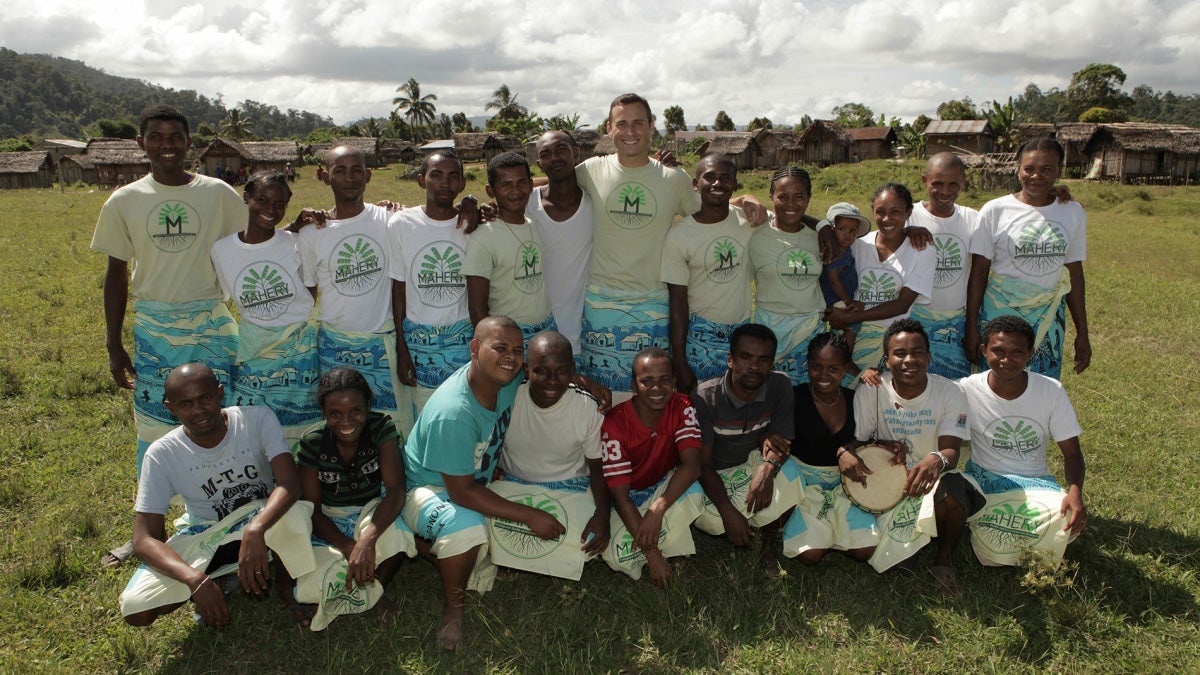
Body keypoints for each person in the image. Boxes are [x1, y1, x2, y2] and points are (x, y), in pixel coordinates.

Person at [91, 104, 245, 568]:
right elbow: (116, 274)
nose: (167, 145)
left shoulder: (218, 194)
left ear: (189, 142)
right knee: (154, 429)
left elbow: (257, 239)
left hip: (212, 324)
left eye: (175, 136)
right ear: (141, 144)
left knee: (225, 420)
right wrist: (114, 343)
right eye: (156, 137)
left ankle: (234, 520)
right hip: (155, 327)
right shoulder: (123, 200)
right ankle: (148, 534)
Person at [575, 94, 764, 396]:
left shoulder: (673, 177)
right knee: (605, 395)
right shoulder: (591, 170)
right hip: (602, 303)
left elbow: (712, 207)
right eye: (621, 124)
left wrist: (749, 200)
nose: (630, 131)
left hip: (655, 304)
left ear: (652, 126)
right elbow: (550, 185)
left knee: (653, 396)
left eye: (638, 123)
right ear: (609, 129)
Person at [401, 316, 565, 650]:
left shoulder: (504, 380)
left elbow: (544, 369)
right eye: (500, 347)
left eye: (517, 351)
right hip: (427, 488)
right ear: (475, 348)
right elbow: (461, 492)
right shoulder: (455, 411)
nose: (511, 357)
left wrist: (588, 383)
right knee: (469, 529)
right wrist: (528, 516)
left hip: (470, 478)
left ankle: (429, 549)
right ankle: (453, 609)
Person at [119, 363, 315, 627]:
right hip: (208, 533)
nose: (198, 410)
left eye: (206, 398)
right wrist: (193, 580)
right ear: (170, 408)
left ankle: (285, 584)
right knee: (136, 609)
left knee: (295, 512)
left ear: (220, 393)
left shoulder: (256, 419)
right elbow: (143, 539)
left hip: (263, 522)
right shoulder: (161, 454)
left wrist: (255, 529)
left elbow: (290, 484)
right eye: (185, 404)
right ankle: (220, 575)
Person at [953, 315, 1087, 574]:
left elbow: (1072, 454)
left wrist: (1075, 492)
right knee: (996, 545)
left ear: (1030, 354)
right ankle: (1004, 535)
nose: (1006, 360)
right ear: (983, 351)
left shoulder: (1050, 390)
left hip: (1035, 483)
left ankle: (994, 531)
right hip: (985, 480)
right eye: (998, 351)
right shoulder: (966, 389)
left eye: (1017, 352)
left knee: (1068, 518)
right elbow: (926, 393)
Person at [840, 319, 971, 582]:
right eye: (900, 353)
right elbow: (859, 443)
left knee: (954, 493)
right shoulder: (871, 390)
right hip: (889, 483)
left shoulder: (950, 392)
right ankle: (913, 534)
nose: (909, 360)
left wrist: (935, 460)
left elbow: (952, 452)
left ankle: (944, 559)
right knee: (887, 563)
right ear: (886, 360)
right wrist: (850, 451)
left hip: (933, 480)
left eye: (917, 352)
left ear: (929, 357)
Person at [290, 367, 415, 631]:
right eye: (335, 414)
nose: (346, 422)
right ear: (323, 413)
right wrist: (348, 546)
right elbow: (313, 510)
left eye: (355, 411)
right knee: (310, 584)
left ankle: (377, 589)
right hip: (330, 520)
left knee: (398, 534)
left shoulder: (381, 428)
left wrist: (367, 539)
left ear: (368, 406)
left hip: (372, 511)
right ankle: (356, 575)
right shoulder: (312, 443)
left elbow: (395, 491)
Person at [298, 145, 411, 434]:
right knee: (343, 427)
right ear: (325, 176)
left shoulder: (390, 220)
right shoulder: (311, 233)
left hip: (383, 345)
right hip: (335, 347)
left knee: (392, 426)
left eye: (357, 169)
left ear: (369, 175)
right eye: (340, 170)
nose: (350, 177)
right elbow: (307, 294)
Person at [485, 331, 610, 580]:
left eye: (561, 372)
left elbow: (598, 469)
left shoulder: (587, 407)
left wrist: (602, 516)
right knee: (477, 515)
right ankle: (521, 553)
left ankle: (512, 555)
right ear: (526, 369)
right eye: (541, 371)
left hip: (569, 487)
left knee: (589, 537)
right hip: (514, 485)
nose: (551, 381)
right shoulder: (507, 397)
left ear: (572, 370)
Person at [211, 170, 320, 447]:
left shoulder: (295, 243)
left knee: (305, 425)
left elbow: (311, 289)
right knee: (254, 428)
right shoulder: (222, 251)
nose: (270, 210)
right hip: (255, 350)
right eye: (261, 200)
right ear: (246, 198)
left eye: (279, 204)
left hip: (301, 351)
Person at [965, 138, 1090, 379]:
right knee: (995, 384)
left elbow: (1074, 274)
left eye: (1046, 169)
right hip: (999, 316)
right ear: (1018, 168)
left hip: (1048, 317)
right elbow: (978, 273)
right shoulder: (995, 210)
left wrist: (1082, 333)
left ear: (1059, 170)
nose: (1036, 176)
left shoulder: (1072, 212)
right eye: (1029, 169)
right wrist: (972, 327)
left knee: (1041, 387)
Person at [691, 323, 801, 574]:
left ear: (772, 363)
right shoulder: (705, 396)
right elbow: (702, 465)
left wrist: (766, 469)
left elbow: (782, 441)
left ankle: (767, 544)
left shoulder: (780, 385)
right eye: (746, 357)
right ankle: (738, 520)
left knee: (792, 472)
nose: (754, 366)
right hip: (715, 477)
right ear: (730, 360)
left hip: (751, 464)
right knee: (711, 520)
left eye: (763, 359)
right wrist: (728, 512)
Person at [600, 348, 705, 588]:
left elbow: (692, 465)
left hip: (659, 487)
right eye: (647, 381)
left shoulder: (682, 404)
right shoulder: (615, 423)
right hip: (627, 499)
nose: (657, 389)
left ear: (674, 382)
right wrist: (652, 555)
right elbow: (620, 495)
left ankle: (666, 541)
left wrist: (657, 509)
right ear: (634, 386)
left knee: (695, 493)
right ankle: (661, 548)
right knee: (618, 556)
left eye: (664, 380)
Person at [781, 331, 879, 564]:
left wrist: (847, 450)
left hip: (845, 486)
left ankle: (834, 530)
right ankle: (820, 531)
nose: (824, 375)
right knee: (809, 554)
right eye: (817, 367)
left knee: (865, 550)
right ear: (808, 366)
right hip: (804, 487)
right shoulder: (795, 397)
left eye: (833, 368)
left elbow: (868, 438)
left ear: (846, 368)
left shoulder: (855, 398)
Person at [388, 151, 472, 415]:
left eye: (453, 176)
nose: (445, 183)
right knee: (424, 416)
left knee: (461, 413)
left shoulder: (472, 225)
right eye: (436, 175)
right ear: (421, 180)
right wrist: (402, 348)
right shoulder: (402, 224)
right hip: (418, 342)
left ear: (462, 185)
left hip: (463, 339)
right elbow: (398, 289)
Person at [661, 154, 754, 392]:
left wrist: (824, 227)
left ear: (735, 184)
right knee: (698, 411)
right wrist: (680, 361)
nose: (717, 183)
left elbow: (788, 219)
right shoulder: (679, 236)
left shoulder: (748, 220)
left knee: (737, 409)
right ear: (695, 184)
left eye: (725, 178)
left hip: (741, 338)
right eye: (709, 177)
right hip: (699, 339)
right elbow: (678, 302)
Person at [827, 184, 935, 378]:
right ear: (872, 212)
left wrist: (849, 318)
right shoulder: (857, 244)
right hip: (852, 338)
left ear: (908, 212)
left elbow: (902, 305)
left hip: (894, 343)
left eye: (895, 212)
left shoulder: (921, 248)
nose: (887, 219)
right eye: (880, 212)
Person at [464, 152, 555, 341]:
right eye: (506, 184)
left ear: (531, 186)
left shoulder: (534, 224)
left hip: (547, 327)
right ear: (491, 191)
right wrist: (497, 345)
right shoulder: (483, 237)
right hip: (509, 336)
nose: (516, 190)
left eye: (521, 182)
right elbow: (477, 307)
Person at [749, 167, 826, 385]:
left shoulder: (820, 238)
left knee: (806, 402)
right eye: (782, 196)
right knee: (772, 401)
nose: (791, 204)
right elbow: (723, 203)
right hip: (771, 335)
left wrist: (823, 226)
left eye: (799, 197)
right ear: (771, 196)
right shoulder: (754, 233)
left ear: (809, 198)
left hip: (811, 333)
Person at [907, 153, 980, 380]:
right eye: (937, 183)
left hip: (955, 325)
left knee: (953, 390)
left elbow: (979, 274)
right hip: (912, 320)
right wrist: (905, 231)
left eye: (953, 184)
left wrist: (1054, 195)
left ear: (963, 182)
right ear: (924, 180)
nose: (945, 191)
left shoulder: (972, 219)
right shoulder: (907, 215)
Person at [528, 131, 593, 353]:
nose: (555, 158)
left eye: (561, 149)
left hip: (585, 336)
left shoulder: (596, 202)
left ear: (576, 153)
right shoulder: (525, 205)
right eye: (546, 154)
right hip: (536, 334)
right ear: (539, 163)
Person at [819, 202, 872, 369]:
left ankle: (839, 356)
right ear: (831, 229)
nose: (847, 235)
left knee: (843, 328)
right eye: (841, 229)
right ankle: (846, 358)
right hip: (835, 299)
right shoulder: (835, 254)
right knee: (851, 325)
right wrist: (848, 302)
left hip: (838, 298)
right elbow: (834, 280)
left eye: (852, 231)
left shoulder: (845, 250)